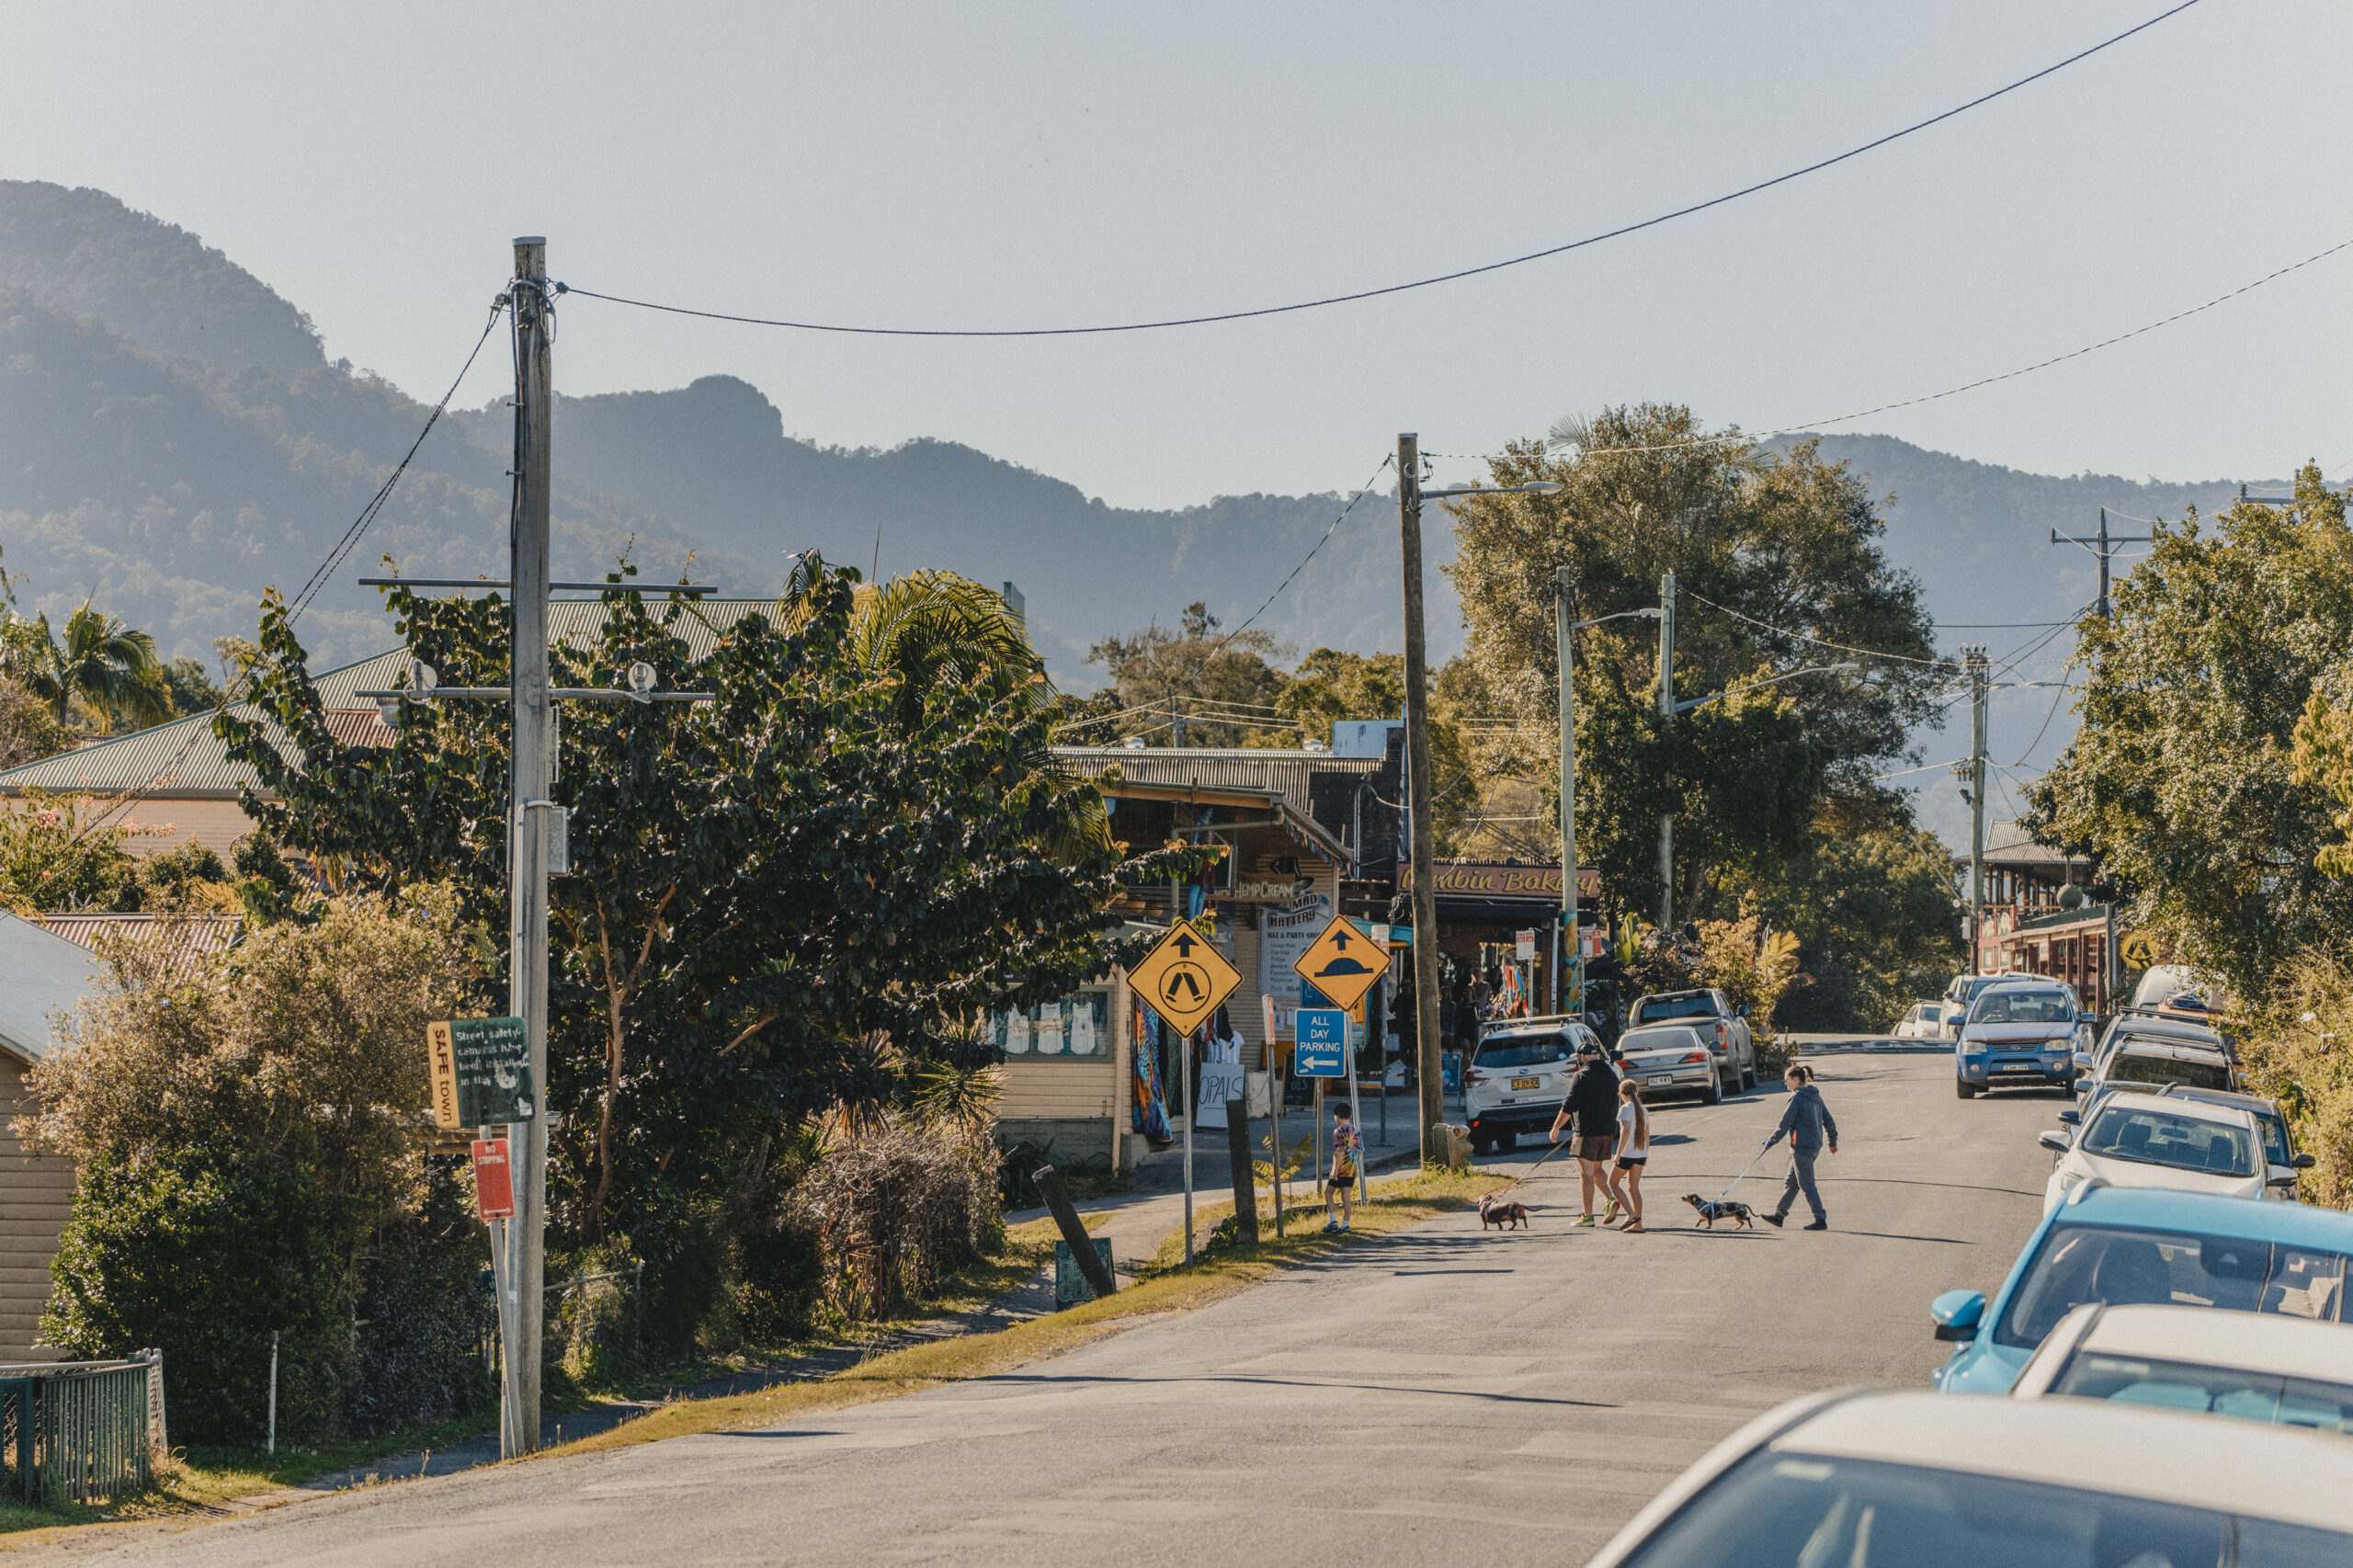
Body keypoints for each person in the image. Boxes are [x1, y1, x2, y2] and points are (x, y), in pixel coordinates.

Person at [1547, 1040, 1620, 1225]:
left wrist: (1556, 1127)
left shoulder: (1581, 1076)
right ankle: (1610, 1199)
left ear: (1582, 1057)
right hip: (1607, 1132)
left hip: (1586, 1133)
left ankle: (1587, 1215)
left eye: (1578, 1058)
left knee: (1585, 1174)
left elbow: (1568, 1105)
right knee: (1597, 1169)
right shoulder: (1611, 1075)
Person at [1761, 1064, 1838, 1230]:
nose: (1785, 1083)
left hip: (1801, 1147)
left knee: (1807, 1184)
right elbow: (1829, 1120)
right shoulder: (1815, 1095)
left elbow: (1784, 1125)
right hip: (1814, 1146)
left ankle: (1820, 1218)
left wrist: (1770, 1142)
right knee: (1792, 1182)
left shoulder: (1796, 1098)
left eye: (1787, 1080)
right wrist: (1832, 1142)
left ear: (1796, 1080)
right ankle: (1779, 1215)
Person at [1610, 1079, 1651, 1233]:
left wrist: (1618, 1154)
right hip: (1640, 1154)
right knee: (1634, 1188)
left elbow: (1626, 1132)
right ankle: (1638, 1225)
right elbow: (1647, 1135)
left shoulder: (1625, 1109)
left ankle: (1630, 1214)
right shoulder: (1643, 1110)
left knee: (1612, 1183)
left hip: (1627, 1154)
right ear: (1636, 1092)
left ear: (1621, 1094)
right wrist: (1646, 1154)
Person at [1323, 1101, 1362, 1233]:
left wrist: (1335, 1171)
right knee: (1346, 1196)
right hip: (1352, 1169)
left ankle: (1333, 1221)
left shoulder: (1338, 1131)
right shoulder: (1356, 1130)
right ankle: (1345, 1224)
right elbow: (1360, 1151)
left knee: (1328, 1193)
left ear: (1337, 1116)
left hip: (1340, 1170)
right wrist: (1354, 1165)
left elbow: (1339, 1152)